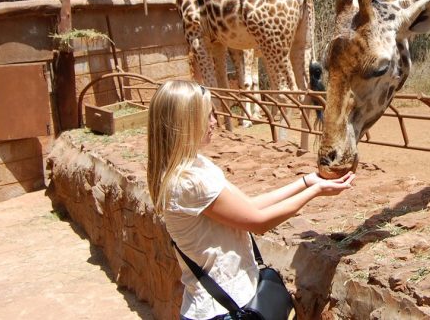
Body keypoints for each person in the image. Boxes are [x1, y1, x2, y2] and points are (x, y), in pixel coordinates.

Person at [146, 80, 355, 320]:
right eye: (206, 116)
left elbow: (250, 205)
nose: (214, 122)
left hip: (236, 298)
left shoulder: (197, 166)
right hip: (221, 310)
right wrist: (315, 192)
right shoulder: (189, 182)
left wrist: (308, 182)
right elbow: (258, 221)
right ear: (183, 123)